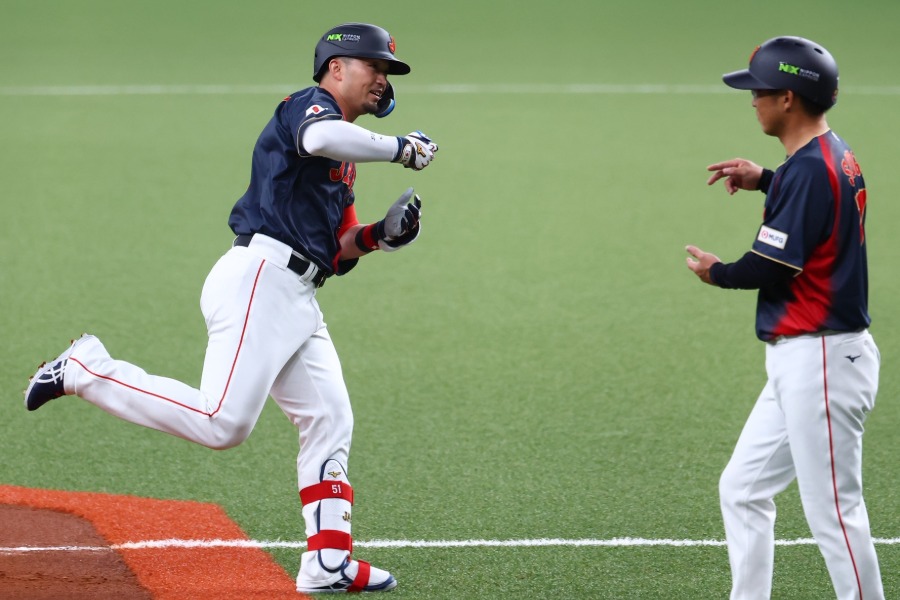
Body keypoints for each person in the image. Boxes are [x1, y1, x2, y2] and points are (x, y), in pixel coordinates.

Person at [24, 22, 438, 593]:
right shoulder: (308, 108)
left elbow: (339, 250)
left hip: (297, 297)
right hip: (260, 281)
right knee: (223, 423)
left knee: (329, 418)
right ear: (336, 67)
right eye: (375, 66)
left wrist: (381, 237)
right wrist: (401, 148)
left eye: (387, 71)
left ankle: (327, 561)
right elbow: (321, 138)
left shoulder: (347, 161)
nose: (383, 79)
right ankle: (86, 369)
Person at [685, 36, 884, 600]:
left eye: (760, 91)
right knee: (743, 488)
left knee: (834, 514)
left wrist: (717, 272)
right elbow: (815, 201)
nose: (753, 101)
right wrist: (769, 178)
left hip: (821, 361)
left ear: (788, 99)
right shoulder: (830, 154)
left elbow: (771, 264)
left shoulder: (809, 170)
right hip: (809, 357)